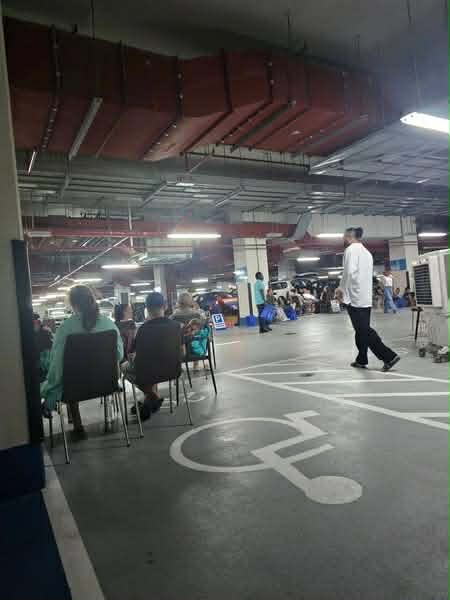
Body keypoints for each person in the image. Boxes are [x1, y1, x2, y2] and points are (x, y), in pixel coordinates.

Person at [41, 285, 124, 439]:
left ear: (73, 304)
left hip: (74, 388)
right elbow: (119, 355)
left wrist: (50, 388)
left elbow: (57, 366)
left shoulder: (65, 328)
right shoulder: (109, 324)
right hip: (106, 383)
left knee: (64, 379)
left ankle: (77, 425)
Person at [335, 227, 400, 372]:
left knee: (364, 330)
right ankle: (361, 359)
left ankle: (389, 357)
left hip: (354, 297)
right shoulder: (367, 252)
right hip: (365, 297)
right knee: (360, 330)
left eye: (344, 236)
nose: (343, 239)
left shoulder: (350, 250)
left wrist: (341, 289)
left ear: (348, 236)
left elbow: (348, 272)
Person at [128, 292, 183, 420]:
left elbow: (135, 355)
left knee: (125, 368)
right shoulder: (176, 326)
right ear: (165, 306)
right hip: (173, 370)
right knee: (152, 366)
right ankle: (150, 400)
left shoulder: (142, 329)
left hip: (149, 372)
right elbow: (183, 352)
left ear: (147, 308)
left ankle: (153, 396)